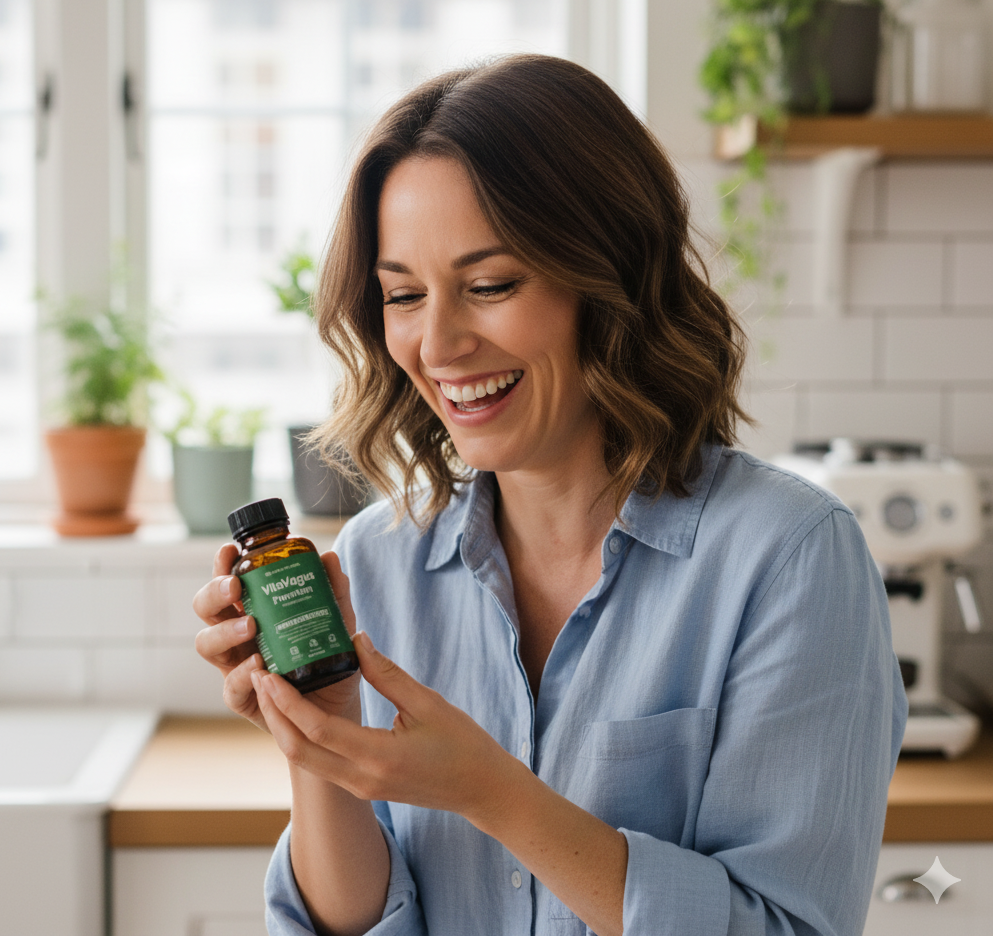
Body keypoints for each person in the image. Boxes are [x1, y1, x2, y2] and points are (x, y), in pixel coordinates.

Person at [194, 54, 907, 936]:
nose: (440, 344)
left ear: (608, 280)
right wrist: (323, 737)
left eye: (490, 285)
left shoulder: (790, 558)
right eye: (403, 295)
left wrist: (491, 793)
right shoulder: (380, 560)